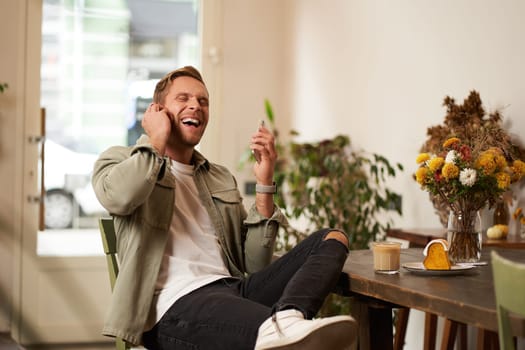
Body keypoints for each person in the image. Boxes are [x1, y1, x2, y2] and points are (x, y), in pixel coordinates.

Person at [92, 66, 357, 350]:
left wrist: (265, 181)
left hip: (232, 291)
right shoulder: (119, 160)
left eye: (203, 101)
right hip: (172, 308)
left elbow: (254, 264)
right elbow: (120, 197)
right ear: (157, 110)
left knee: (332, 239)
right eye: (183, 98)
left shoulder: (217, 176)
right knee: (283, 336)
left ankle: (287, 318)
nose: (196, 105)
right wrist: (155, 140)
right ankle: (281, 327)